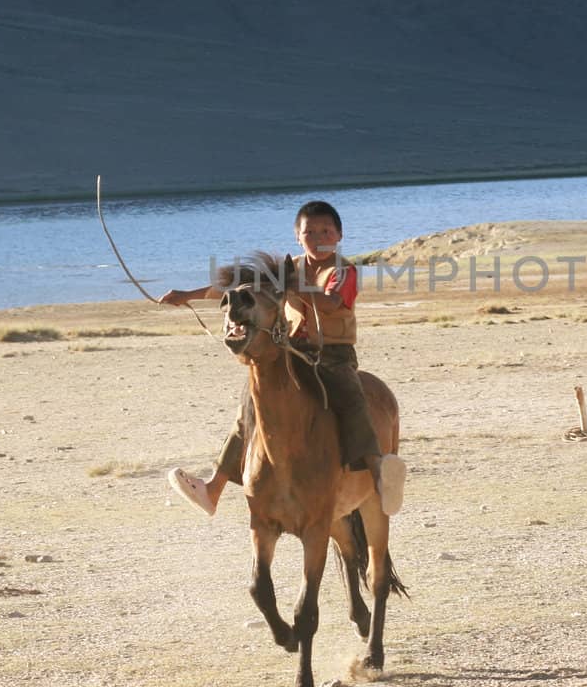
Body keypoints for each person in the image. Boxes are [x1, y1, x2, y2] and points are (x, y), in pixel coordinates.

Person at [158, 200, 406, 517]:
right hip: (290, 352)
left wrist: (294, 286)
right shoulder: (288, 271)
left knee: (351, 397)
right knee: (249, 403)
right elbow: (239, 288)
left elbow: (331, 303)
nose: (318, 237)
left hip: (333, 354)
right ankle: (214, 487)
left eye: (326, 230)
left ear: (339, 235)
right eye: (310, 232)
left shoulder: (344, 271)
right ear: (297, 237)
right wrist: (187, 294)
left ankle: (380, 474)